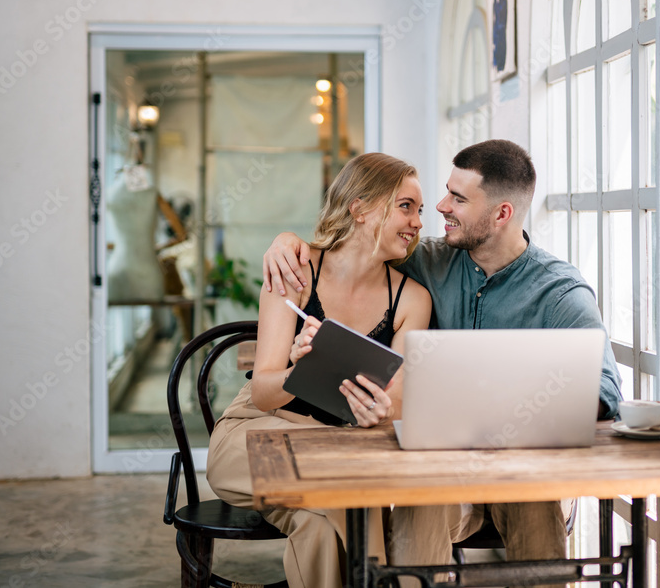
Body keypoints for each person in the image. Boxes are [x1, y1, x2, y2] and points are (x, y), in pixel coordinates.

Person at [262, 139, 622, 588]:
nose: (439, 206)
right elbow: (355, 247)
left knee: (536, 501)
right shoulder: (428, 260)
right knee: (423, 495)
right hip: (442, 467)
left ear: (502, 214)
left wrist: (515, 411)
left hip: (523, 466)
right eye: (446, 192)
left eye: (458, 198)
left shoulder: (560, 292)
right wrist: (286, 242)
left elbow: (605, 391)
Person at [206, 152, 432, 588]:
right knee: (353, 495)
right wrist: (297, 367)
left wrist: (381, 411)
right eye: (406, 206)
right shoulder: (295, 268)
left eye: (419, 210)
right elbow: (263, 394)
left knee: (320, 522)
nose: (418, 221)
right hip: (257, 433)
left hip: (337, 447)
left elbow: (399, 403)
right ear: (360, 207)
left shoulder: (411, 299)